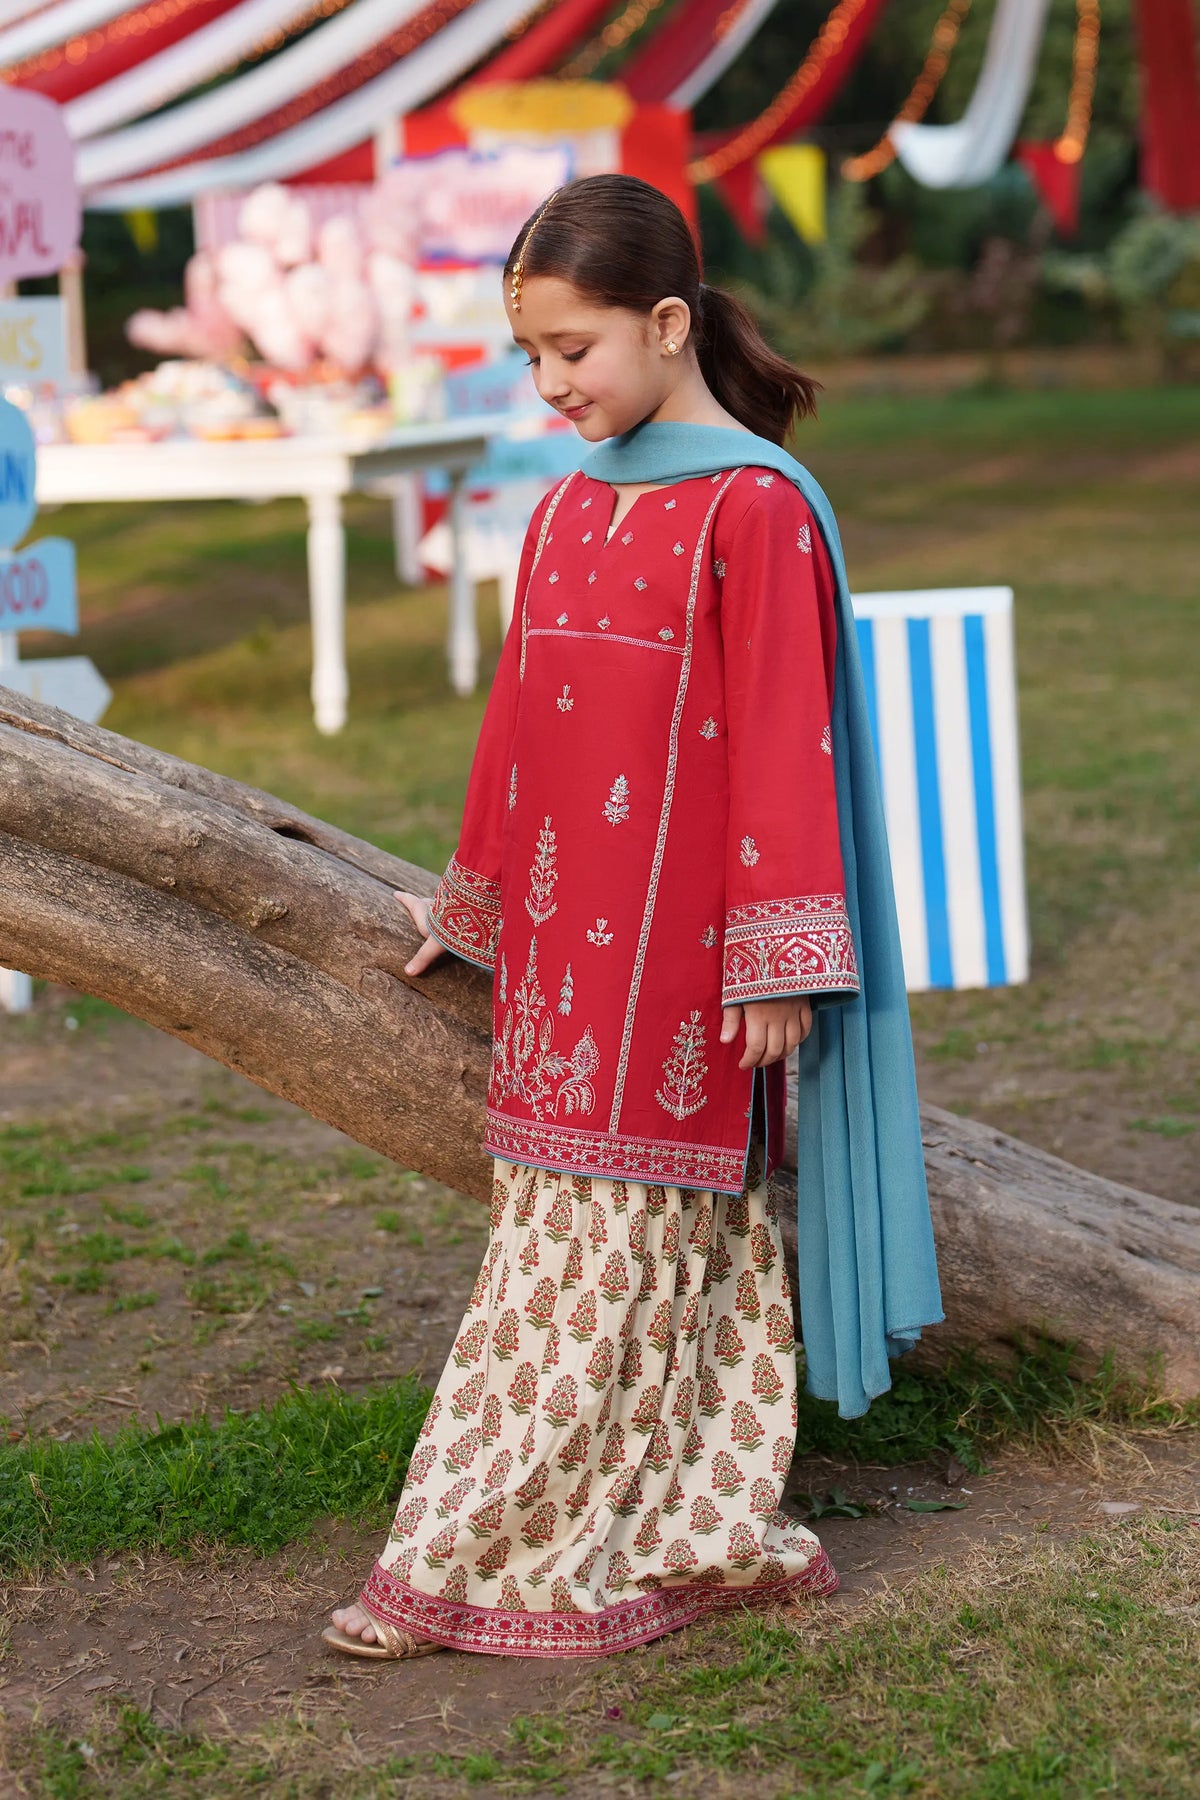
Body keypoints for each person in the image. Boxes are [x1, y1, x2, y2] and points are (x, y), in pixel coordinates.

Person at [324, 174, 941, 1661]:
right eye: (529, 353)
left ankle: (465, 1556)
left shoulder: (755, 507)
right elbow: (518, 730)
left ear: (669, 325)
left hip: (691, 972)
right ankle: (672, 1529)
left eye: (574, 349)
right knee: (588, 1259)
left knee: (635, 1258)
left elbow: (786, 738)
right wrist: (471, 908)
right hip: (560, 962)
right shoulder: (562, 509)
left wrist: (781, 960)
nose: (549, 384)